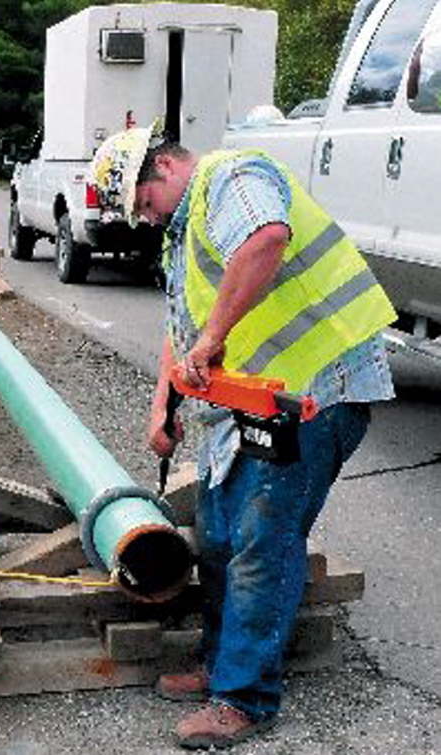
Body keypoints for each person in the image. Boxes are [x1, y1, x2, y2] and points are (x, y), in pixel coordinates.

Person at [91, 127, 397, 749]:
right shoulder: (183, 236)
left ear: (167, 165)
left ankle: (245, 697)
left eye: (146, 202)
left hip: (319, 392)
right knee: (221, 536)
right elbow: (182, 331)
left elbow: (266, 240)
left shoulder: (229, 178)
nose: (146, 218)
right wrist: (164, 408)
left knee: (264, 542)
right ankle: (219, 664)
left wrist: (211, 342)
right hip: (254, 407)